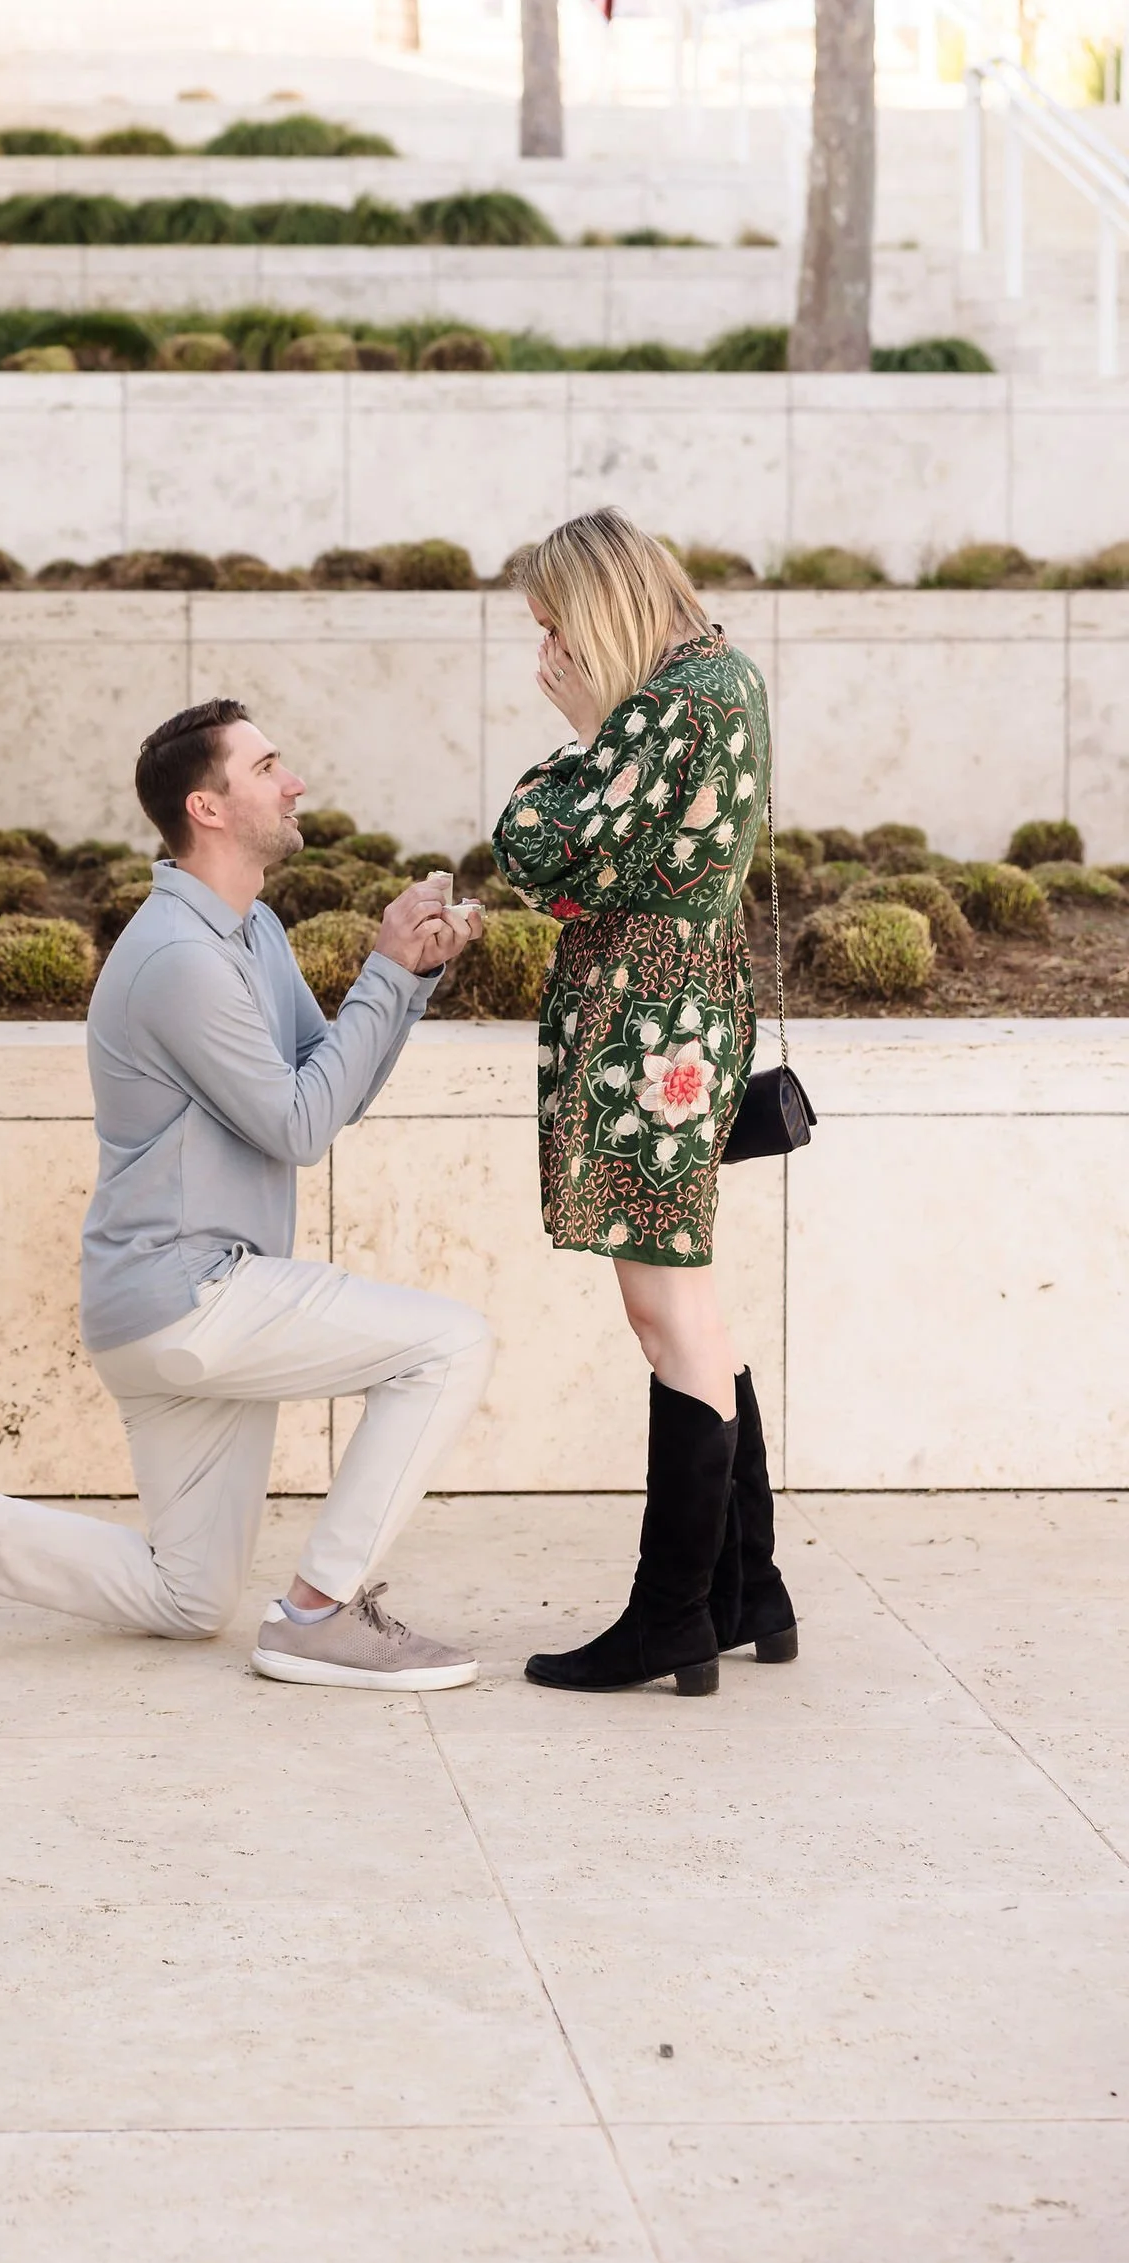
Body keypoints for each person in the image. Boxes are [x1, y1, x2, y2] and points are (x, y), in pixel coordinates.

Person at [0, 700, 497, 1688]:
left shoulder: (249, 929)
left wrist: (404, 980)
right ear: (209, 805)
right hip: (193, 1291)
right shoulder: (176, 957)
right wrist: (378, 968)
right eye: (267, 765)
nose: (294, 781)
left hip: (169, 1303)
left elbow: (325, 1082)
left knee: (186, 1596)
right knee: (450, 1342)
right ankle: (320, 1609)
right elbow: (296, 1125)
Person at [490, 509, 797, 1696]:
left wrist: (583, 729)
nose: (549, 650)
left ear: (599, 602)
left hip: (645, 1031)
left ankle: (671, 1616)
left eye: (553, 622)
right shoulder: (717, 679)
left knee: (665, 1311)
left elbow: (537, 844)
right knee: (685, 1304)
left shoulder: (669, 701)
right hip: (676, 1017)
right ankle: (745, 1588)